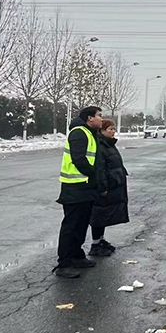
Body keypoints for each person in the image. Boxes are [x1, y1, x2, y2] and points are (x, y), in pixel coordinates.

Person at [54, 106, 106, 278]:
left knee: (81, 225)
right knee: (71, 226)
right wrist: (94, 174)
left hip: (85, 187)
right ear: (90, 118)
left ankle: (77, 256)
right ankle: (64, 263)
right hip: (75, 187)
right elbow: (79, 159)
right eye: (99, 116)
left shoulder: (89, 133)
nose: (101, 119)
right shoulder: (79, 133)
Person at [88, 119, 129, 256]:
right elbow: (100, 168)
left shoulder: (109, 144)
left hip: (112, 185)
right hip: (104, 187)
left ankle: (101, 240)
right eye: (110, 129)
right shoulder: (100, 145)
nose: (113, 131)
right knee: (99, 214)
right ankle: (95, 244)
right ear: (102, 130)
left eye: (114, 128)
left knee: (105, 214)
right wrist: (103, 187)